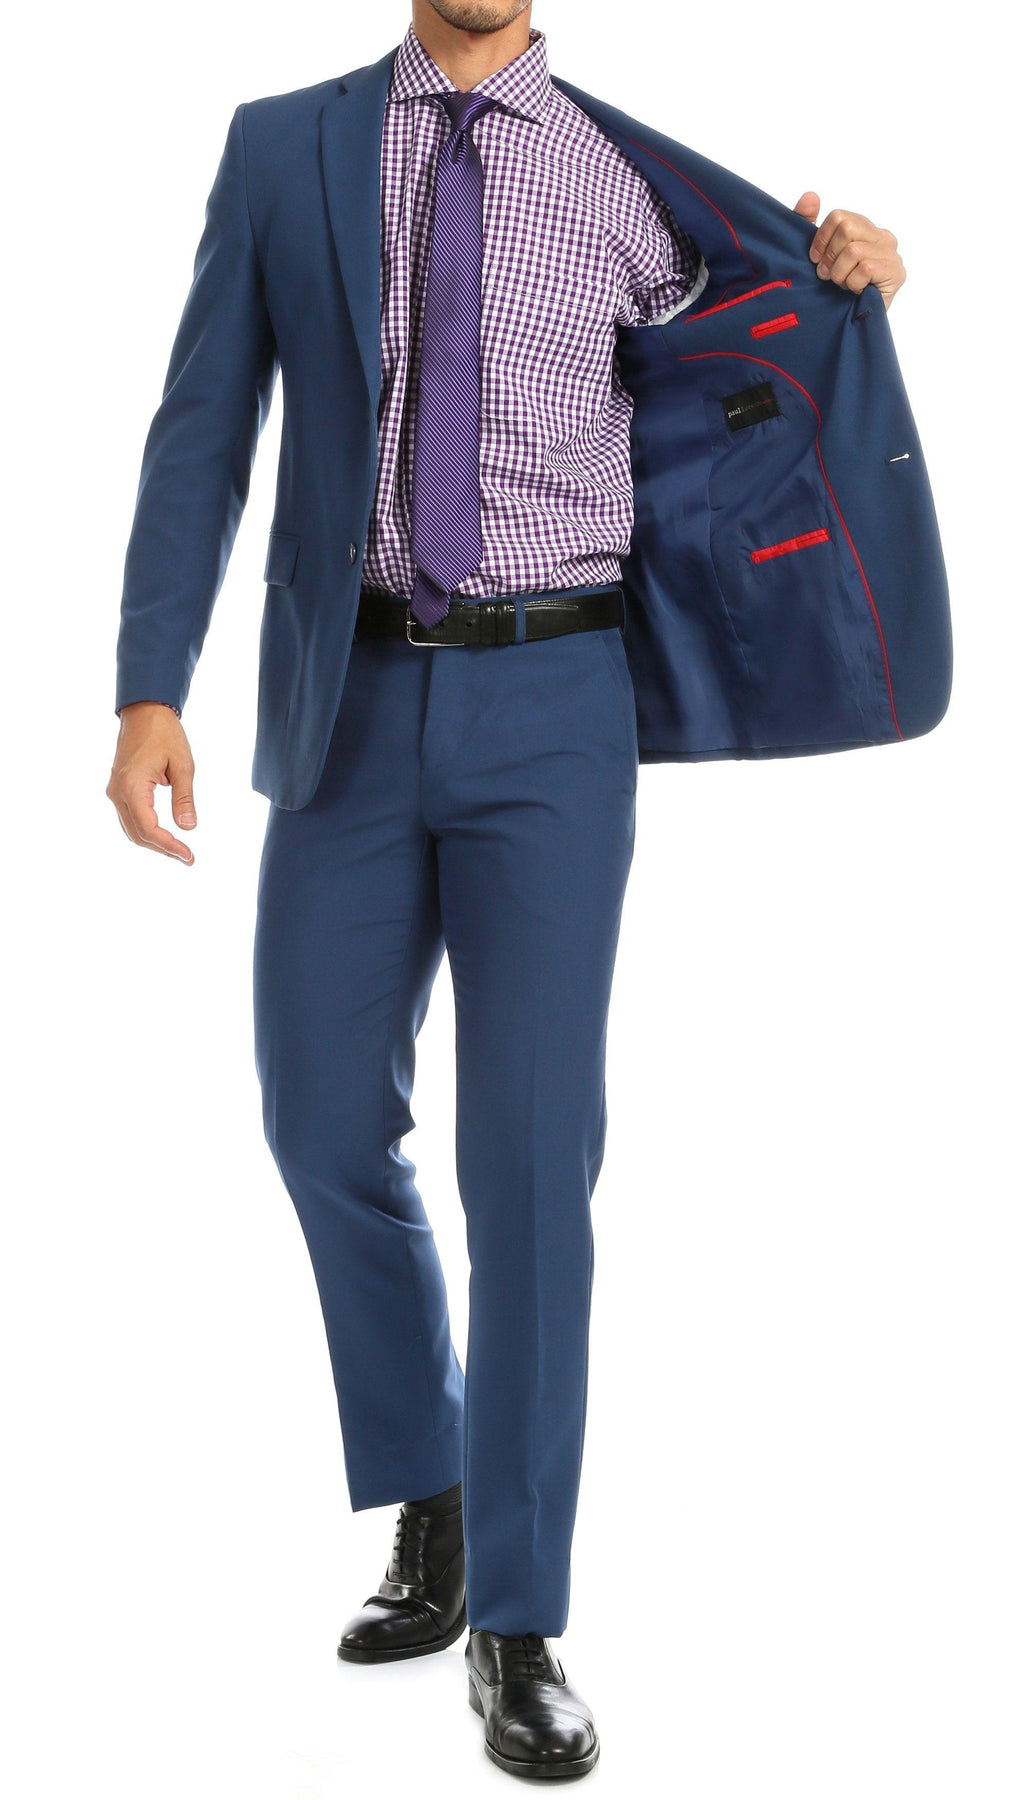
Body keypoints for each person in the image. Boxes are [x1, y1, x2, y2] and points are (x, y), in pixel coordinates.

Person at [106, 2, 912, 1781]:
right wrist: (150, 683)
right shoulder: (284, 146)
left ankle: (520, 1621)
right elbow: (201, 426)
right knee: (319, 1112)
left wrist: (858, 272)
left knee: (534, 1167)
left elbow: (768, 342)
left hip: (557, 704)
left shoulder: (627, 174)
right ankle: (440, 1483)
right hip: (347, 700)